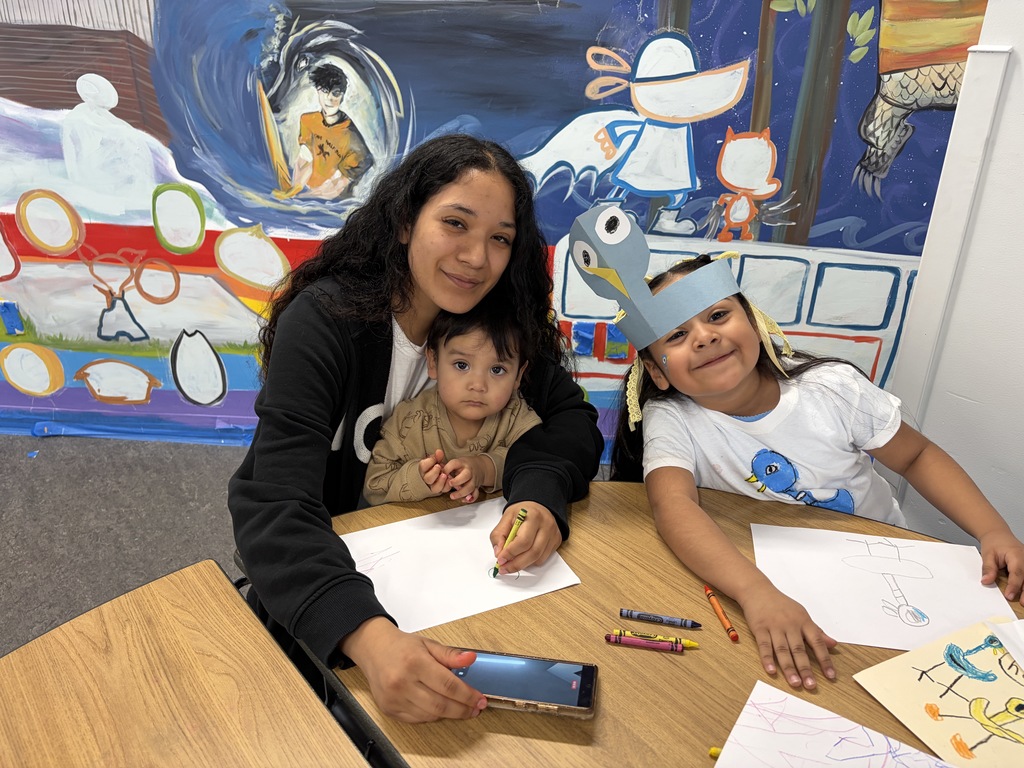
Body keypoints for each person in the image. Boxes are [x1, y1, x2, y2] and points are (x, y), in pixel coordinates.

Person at [567, 207, 1024, 694]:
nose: (704, 337)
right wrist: (755, 592)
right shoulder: (674, 417)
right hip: (778, 585)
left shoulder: (832, 389)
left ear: (756, 322)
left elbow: (916, 458)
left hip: (888, 568)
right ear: (658, 373)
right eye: (676, 336)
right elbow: (672, 505)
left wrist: (992, 530)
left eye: (717, 315)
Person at [230, 134, 603, 724]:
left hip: (458, 577)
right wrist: (368, 639)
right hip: (334, 589)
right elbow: (273, 503)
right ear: (405, 221)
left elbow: (573, 423)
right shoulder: (326, 322)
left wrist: (536, 493)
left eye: (500, 239)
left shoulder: (489, 329)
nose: (477, 258)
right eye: (456, 223)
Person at [363, 300, 542, 506]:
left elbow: (535, 463)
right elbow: (373, 486)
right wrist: (419, 479)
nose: (478, 385)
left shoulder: (515, 416)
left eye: (496, 370)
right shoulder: (410, 422)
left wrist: (483, 469)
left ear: (518, 375)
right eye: (461, 365)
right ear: (433, 361)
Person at [275, 63, 372, 200]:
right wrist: (294, 190)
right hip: (307, 193)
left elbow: (337, 185)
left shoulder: (351, 138)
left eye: (336, 93)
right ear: (318, 91)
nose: (330, 99)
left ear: (342, 96)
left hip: (334, 205)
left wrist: (305, 198)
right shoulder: (308, 120)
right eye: (325, 91)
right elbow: (305, 159)